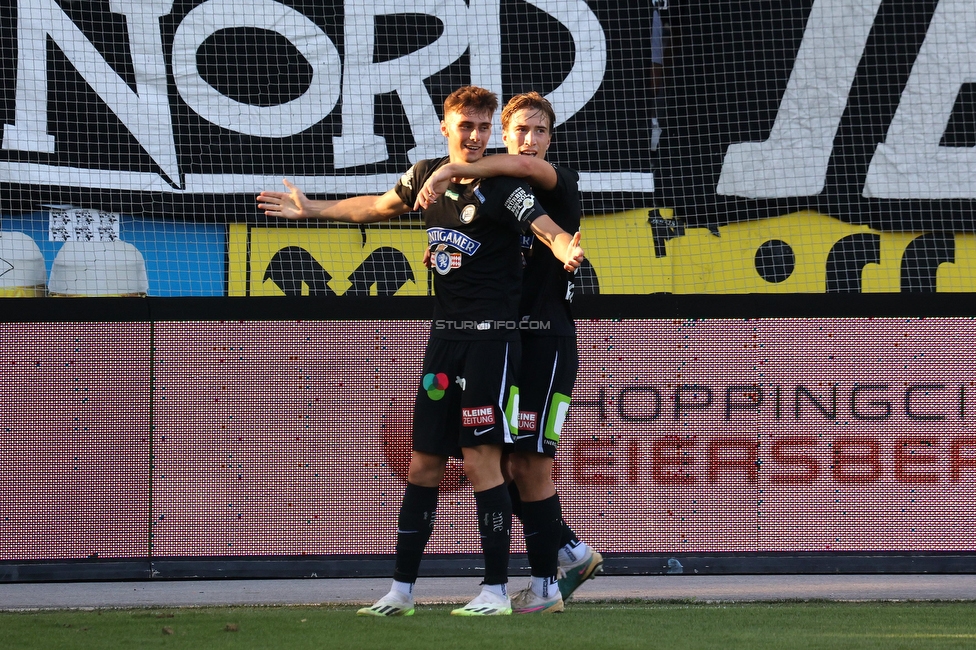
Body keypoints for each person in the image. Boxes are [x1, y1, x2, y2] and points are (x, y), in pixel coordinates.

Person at [256, 86, 584, 617]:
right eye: (467, 126)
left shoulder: (506, 185)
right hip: (443, 344)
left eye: (482, 127)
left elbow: (547, 228)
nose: (474, 136)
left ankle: (496, 590)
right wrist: (311, 207)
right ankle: (401, 592)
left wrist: (567, 246)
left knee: (485, 463)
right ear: (445, 127)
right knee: (424, 463)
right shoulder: (423, 175)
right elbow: (377, 206)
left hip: (492, 343)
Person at [414, 92, 603, 614]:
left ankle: (545, 587)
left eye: (540, 130)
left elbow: (534, 199)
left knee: (531, 464)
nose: (531, 141)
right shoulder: (498, 194)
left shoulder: (552, 181)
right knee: (501, 461)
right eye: (521, 130)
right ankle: (569, 550)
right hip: (509, 343)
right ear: (505, 133)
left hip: (547, 341)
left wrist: (447, 170)